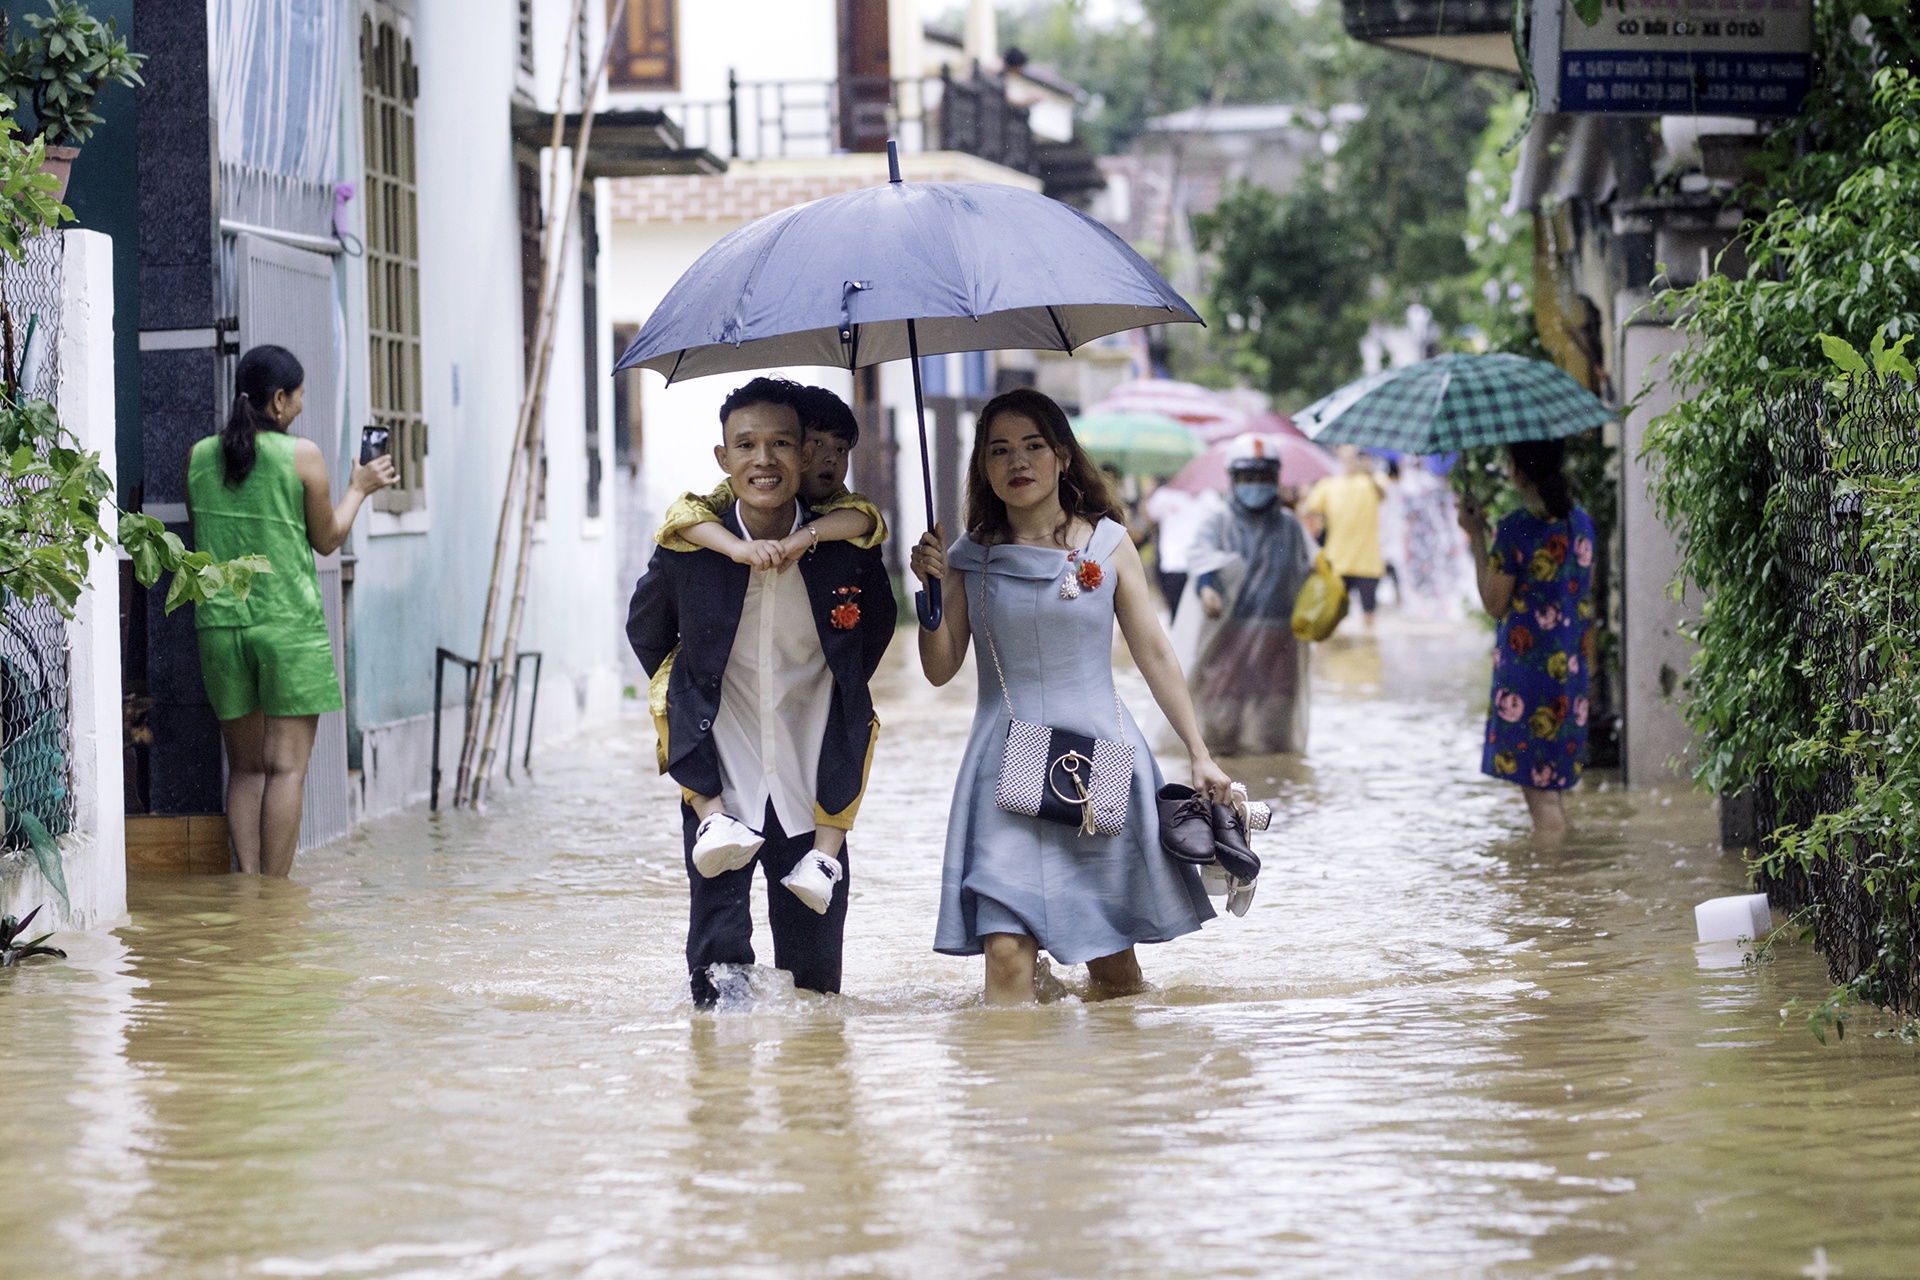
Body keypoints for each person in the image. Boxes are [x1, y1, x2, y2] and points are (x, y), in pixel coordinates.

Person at [909, 388, 1231, 1006]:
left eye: (1032, 446)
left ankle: (1103, 1093)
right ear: (983, 467)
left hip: (1097, 761)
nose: (1017, 462)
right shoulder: (966, 558)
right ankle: (1011, 1092)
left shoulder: (1107, 544)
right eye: (999, 450)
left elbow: (1155, 652)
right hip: (1003, 770)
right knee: (1005, 953)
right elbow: (941, 669)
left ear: (1060, 456)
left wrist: (1199, 751)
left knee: (1112, 971)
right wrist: (928, 598)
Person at [627, 378, 896, 1007]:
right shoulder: (692, 548)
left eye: (780, 444)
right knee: (718, 982)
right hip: (725, 774)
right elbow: (647, 630)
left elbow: (873, 636)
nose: (764, 460)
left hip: (813, 776)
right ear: (724, 458)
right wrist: (694, 703)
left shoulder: (846, 550)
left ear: (805, 455)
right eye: (746, 445)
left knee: (816, 986)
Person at [187, 344, 397, 876]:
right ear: (278, 400)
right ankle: (274, 903)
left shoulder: (198, 457)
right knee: (285, 770)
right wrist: (359, 487)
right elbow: (327, 539)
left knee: (246, 770)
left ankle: (250, 893)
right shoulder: (301, 456)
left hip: (220, 627)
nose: (302, 406)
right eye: (299, 396)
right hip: (285, 627)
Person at [1457, 439, 1595, 837]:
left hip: (1528, 675)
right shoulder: (1582, 524)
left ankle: (1551, 891)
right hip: (1570, 671)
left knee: (1541, 799)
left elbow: (1494, 603)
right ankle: (1562, 886)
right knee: (1552, 794)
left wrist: (1477, 537)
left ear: (1517, 470)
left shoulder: (1516, 528)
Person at [1184, 437, 1316, 755]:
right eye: (1248, 477)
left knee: (1275, 726)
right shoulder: (1218, 522)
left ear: (1276, 479)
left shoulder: (1290, 527)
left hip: (1279, 637)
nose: (1256, 484)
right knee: (1222, 723)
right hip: (1229, 635)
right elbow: (1202, 559)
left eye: (1264, 477)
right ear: (1233, 479)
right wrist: (1207, 589)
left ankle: (1275, 789)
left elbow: (1309, 570)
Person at [1303, 444, 1388, 627]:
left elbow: (1383, 493)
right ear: (1337, 452)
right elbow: (1308, 509)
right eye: (1344, 447)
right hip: (1337, 562)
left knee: (1370, 622)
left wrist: (1367, 471)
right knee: (1330, 619)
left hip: (1368, 563)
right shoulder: (1328, 485)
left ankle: (1369, 656)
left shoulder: (1373, 481)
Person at [1143, 478, 1213, 621]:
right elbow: (1149, 517)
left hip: (1200, 565)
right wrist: (1147, 495)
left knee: (1198, 617)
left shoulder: (1208, 496)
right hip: (1173, 563)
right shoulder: (1166, 494)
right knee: (1176, 615)